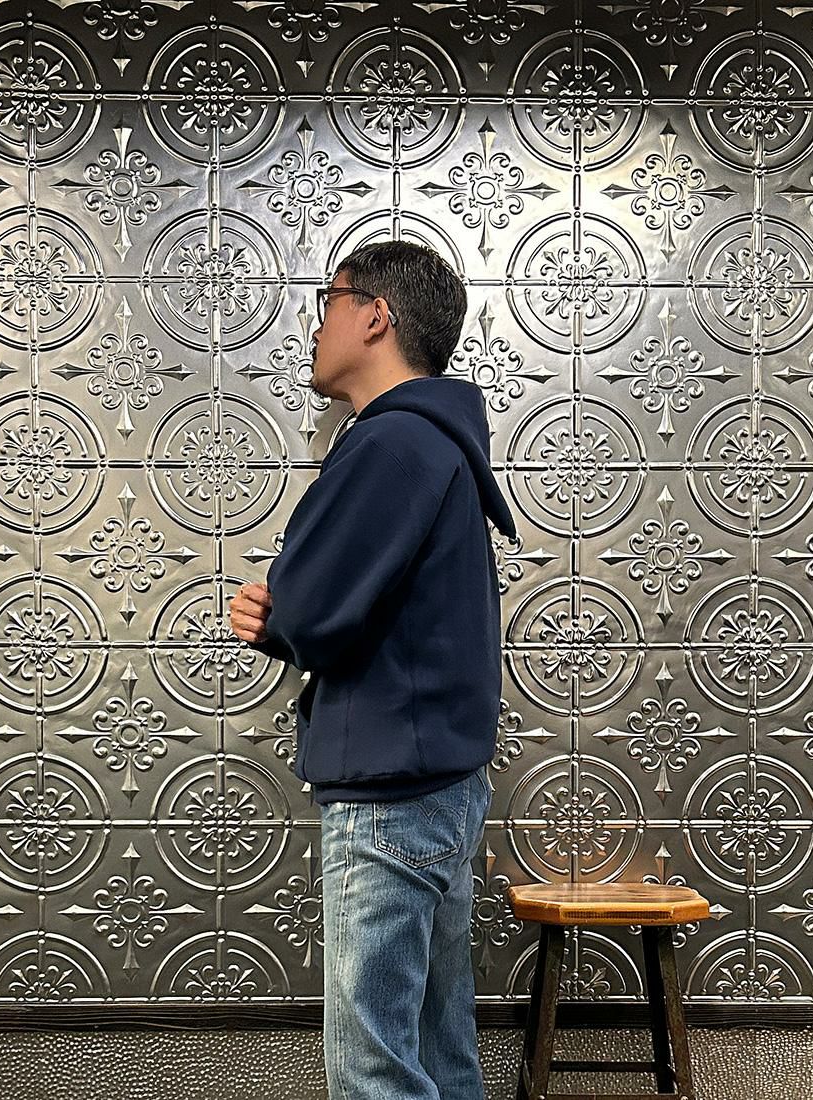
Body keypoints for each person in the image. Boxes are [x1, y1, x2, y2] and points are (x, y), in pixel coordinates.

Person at [228, 239, 517, 1100]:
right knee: (436, 1051)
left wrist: (277, 612)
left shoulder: (391, 443)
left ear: (374, 316)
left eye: (329, 303)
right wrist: (294, 608)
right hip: (437, 785)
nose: (317, 326)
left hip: (391, 793)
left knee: (374, 1069)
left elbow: (311, 610)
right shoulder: (438, 444)